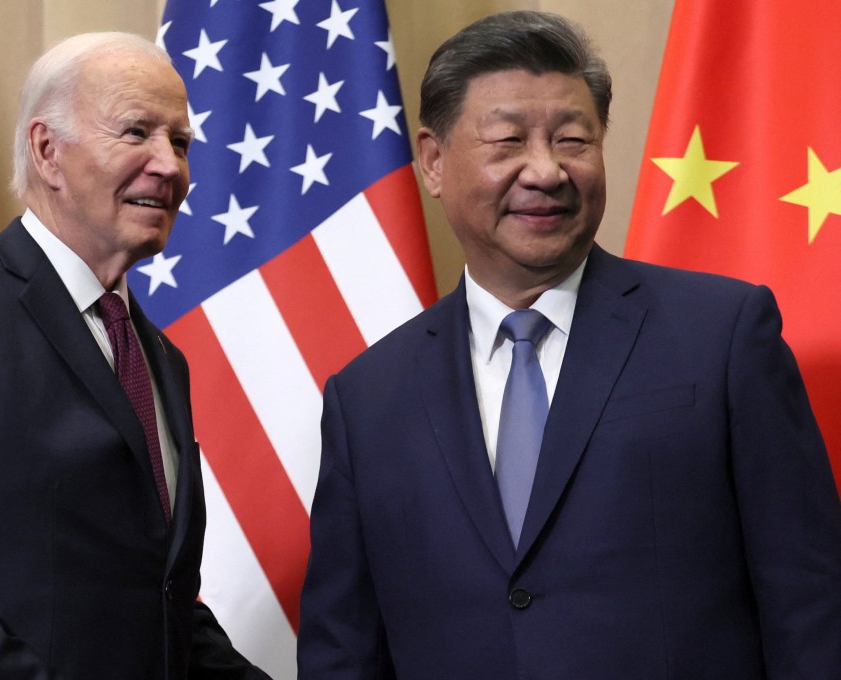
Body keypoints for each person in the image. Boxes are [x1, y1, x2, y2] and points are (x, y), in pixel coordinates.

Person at [297, 11, 841, 680]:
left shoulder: (723, 334)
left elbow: (811, 604)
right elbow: (344, 649)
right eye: (509, 141)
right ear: (434, 161)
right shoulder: (367, 397)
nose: (547, 170)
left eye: (573, 139)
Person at [0, 32, 270, 680]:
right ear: (47, 150)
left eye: (180, 143)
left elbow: (156, 599)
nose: (170, 165)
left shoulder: (157, 356)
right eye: (137, 132)